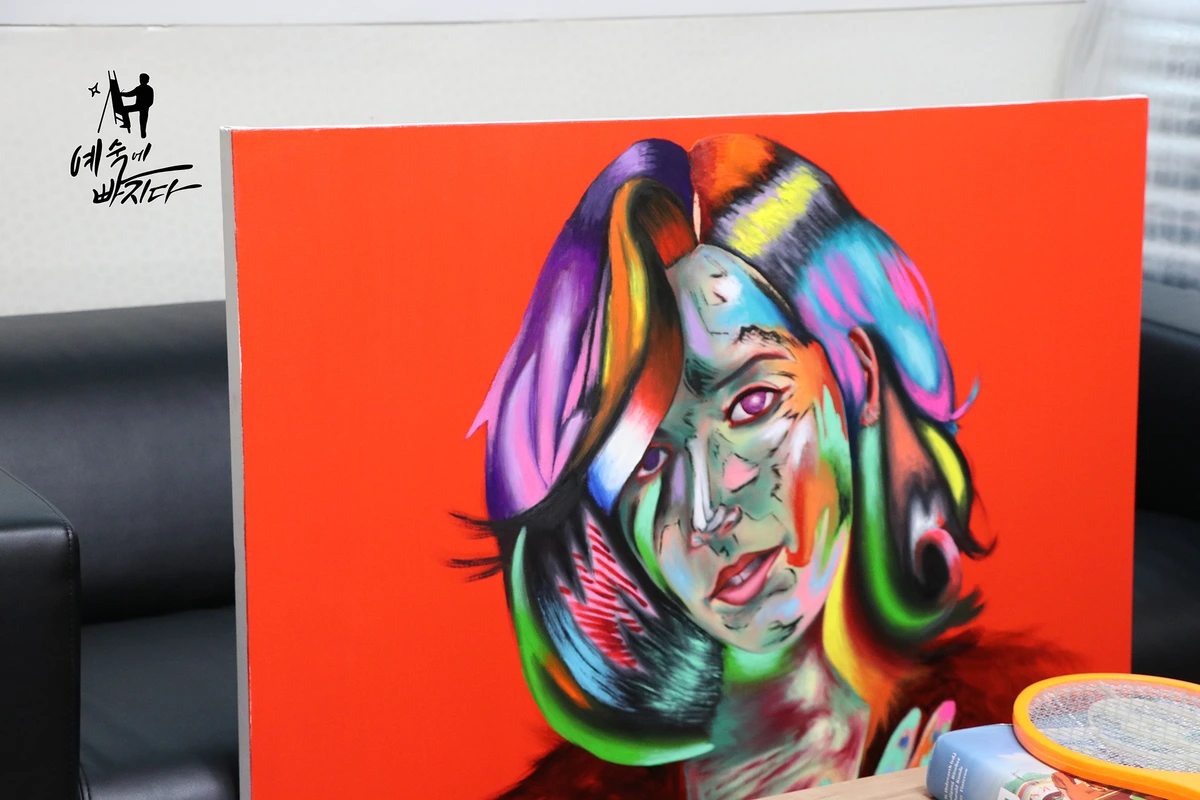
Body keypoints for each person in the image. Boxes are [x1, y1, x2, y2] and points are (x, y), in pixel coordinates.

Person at [467, 135, 1071, 800]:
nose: (706, 512)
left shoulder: (1020, 730)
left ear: (858, 379)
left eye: (751, 404)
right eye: (647, 458)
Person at [119, 73, 154, 139]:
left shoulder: (149, 89)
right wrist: (122, 94)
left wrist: (145, 106)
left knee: (143, 121)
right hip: (138, 106)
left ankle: (143, 133)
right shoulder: (139, 88)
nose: (140, 80)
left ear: (147, 80)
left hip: (144, 108)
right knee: (124, 109)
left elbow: (151, 101)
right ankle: (127, 124)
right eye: (140, 79)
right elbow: (130, 94)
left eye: (142, 79)